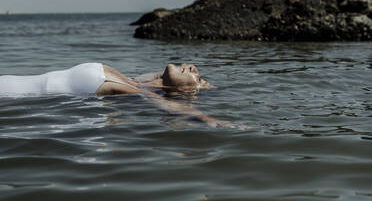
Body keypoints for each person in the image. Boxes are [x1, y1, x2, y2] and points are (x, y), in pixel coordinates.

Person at [0, 62, 247, 129]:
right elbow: (157, 84)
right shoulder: (134, 80)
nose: (195, 69)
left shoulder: (130, 89)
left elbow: (170, 107)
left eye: (199, 79)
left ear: (187, 90)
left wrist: (209, 119)